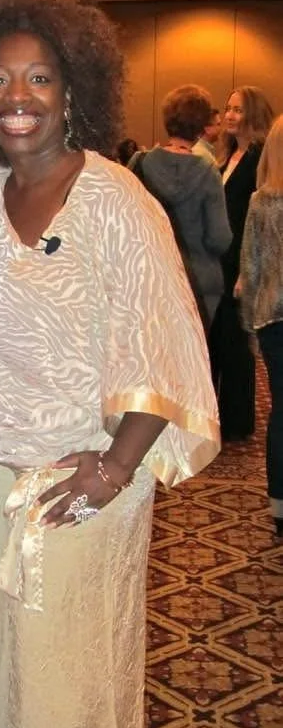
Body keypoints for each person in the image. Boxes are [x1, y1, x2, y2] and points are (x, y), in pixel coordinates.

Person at [0, 0, 220, 728]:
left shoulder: (113, 198)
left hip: (86, 476)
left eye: (37, 80)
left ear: (74, 93)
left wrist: (114, 463)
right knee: (11, 649)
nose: (16, 98)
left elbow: (161, 332)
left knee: (74, 667)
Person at [128, 84, 231, 331]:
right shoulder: (208, 173)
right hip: (199, 284)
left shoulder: (140, 163)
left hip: (151, 278)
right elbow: (219, 238)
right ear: (201, 126)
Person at [209, 85, 273, 440]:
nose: (230, 115)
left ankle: (237, 423)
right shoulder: (227, 155)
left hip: (243, 261)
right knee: (219, 340)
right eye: (227, 108)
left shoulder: (261, 156)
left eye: (238, 110)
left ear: (253, 115)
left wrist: (251, 271)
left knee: (236, 343)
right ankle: (218, 417)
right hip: (221, 259)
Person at [237, 114, 283, 537]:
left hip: (272, 317)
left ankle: (278, 503)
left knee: (281, 412)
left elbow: (250, 268)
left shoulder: (262, 201)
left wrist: (249, 327)